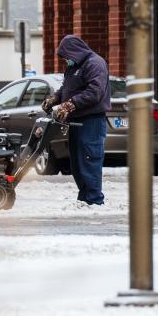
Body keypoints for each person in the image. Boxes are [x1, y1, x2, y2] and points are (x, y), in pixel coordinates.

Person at [41, 35, 110, 205]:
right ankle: (84, 198)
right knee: (78, 163)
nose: (66, 60)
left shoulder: (95, 63)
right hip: (77, 121)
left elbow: (95, 92)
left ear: (75, 51)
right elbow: (67, 88)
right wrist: (55, 99)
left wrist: (70, 105)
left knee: (89, 160)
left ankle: (94, 200)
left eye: (67, 56)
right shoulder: (74, 67)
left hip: (91, 121)